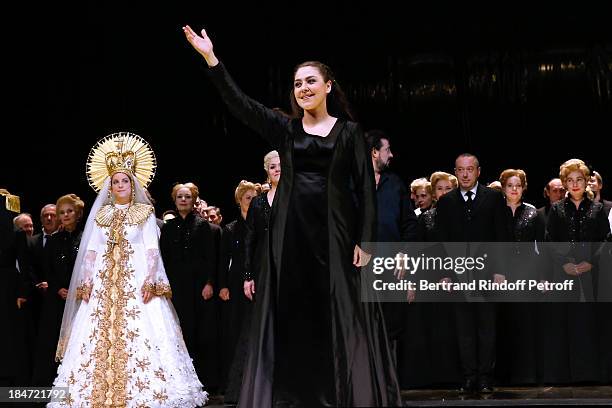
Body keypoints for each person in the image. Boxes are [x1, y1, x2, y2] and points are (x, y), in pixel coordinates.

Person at [184, 25, 400, 407]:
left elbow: (366, 191)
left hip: (335, 238)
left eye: (311, 81)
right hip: (291, 238)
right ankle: (295, 397)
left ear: (328, 86)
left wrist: (366, 242)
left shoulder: (350, 133)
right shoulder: (285, 129)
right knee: (294, 318)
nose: (303, 88)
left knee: (339, 319)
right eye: (298, 83)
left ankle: (342, 395)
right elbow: (241, 105)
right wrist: (211, 60)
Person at [48, 133, 207, 407]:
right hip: (103, 283)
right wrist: (86, 281)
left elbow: (151, 250)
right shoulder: (101, 215)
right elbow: (91, 252)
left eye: (124, 180)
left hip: (135, 282)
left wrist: (150, 280)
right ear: (109, 186)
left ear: (133, 184)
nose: (120, 185)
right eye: (115, 181)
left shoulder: (143, 213)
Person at [434, 153, 509, 394]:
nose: (465, 174)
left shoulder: (494, 198)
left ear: (478, 171)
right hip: (458, 275)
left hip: (487, 274)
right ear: (455, 172)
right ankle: (469, 376)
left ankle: (486, 377)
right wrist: (444, 274)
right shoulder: (446, 202)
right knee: (464, 329)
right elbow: (441, 241)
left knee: (487, 327)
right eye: (460, 170)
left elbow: (502, 237)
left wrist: (499, 271)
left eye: (469, 169)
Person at [160, 182, 220, 392]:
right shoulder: (167, 228)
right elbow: (164, 260)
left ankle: (205, 381)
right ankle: (184, 382)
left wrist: (210, 283)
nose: (183, 200)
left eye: (187, 197)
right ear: (175, 201)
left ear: (194, 200)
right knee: (181, 332)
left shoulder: (202, 225)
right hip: (177, 286)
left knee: (203, 332)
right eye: (180, 197)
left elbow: (210, 257)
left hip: (200, 286)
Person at [495, 169, 545, 385]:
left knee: (526, 324)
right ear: (503, 188)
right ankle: (503, 375)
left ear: (524, 188)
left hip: (527, 274)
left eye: (518, 185)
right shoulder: (495, 211)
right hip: (501, 275)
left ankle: (527, 375)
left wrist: (542, 277)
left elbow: (541, 248)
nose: (514, 189)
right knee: (503, 324)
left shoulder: (533, 213)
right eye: (509, 185)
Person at [33, 194, 85, 387]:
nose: (65, 215)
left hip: (81, 297)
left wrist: (76, 291)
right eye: (61, 212)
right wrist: (58, 289)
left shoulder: (86, 236)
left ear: (78, 213)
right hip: (57, 298)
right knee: (51, 340)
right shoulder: (55, 240)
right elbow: (47, 269)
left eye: (69, 211)